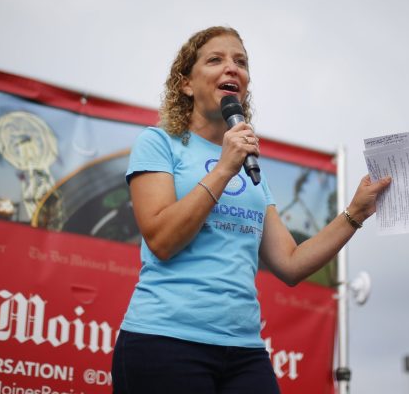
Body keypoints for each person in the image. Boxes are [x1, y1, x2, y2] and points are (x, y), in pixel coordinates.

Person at [111, 26, 391, 394]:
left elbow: (290, 264)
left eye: (240, 62)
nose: (232, 68)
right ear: (186, 84)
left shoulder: (248, 161)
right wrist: (224, 168)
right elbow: (162, 239)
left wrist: (355, 213)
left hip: (243, 351)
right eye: (216, 59)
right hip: (165, 339)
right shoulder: (160, 143)